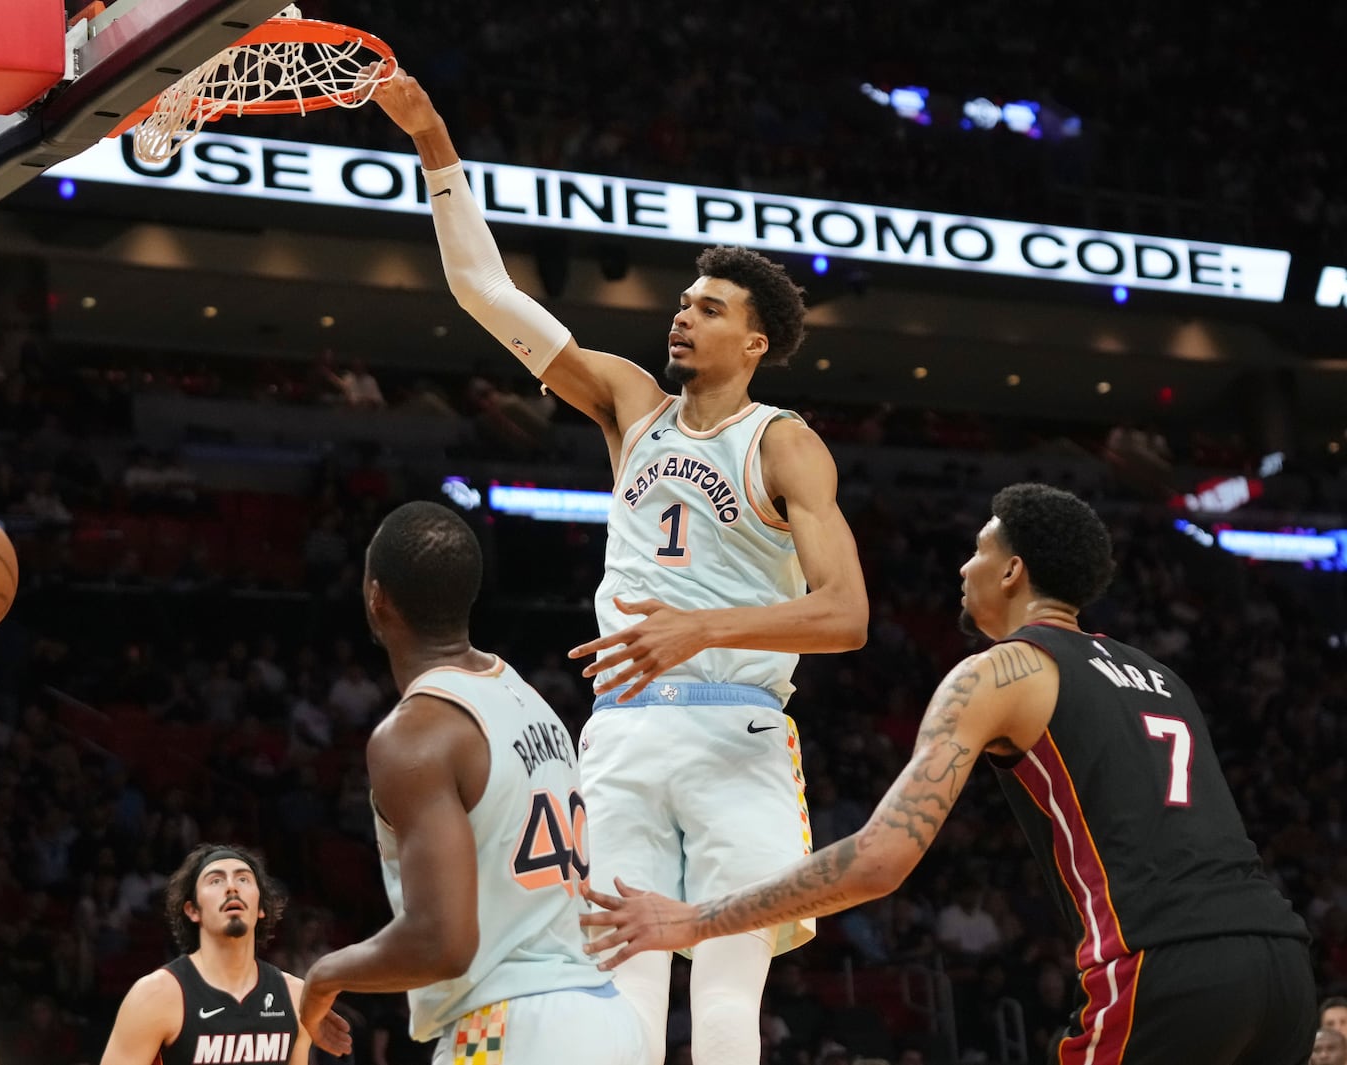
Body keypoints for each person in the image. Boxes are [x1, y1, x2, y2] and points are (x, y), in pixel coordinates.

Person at [369, 68, 869, 1065]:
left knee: (726, 994)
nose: (682, 315)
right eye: (683, 301)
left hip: (738, 729)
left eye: (710, 308)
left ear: (754, 341)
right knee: (620, 998)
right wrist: (431, 143)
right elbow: (484, 292)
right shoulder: (630, 404)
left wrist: (702, 626)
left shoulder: (784, 443)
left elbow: (846, 614)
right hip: (623, 737)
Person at [584, 484, 1316, 1065]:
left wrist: (694, 918)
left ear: (1011, 568)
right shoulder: (1163, 677)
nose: (962, 568)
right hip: (1283, 967)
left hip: (1167, 966)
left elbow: (878, 860)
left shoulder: (1002, 669)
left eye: (976, 550)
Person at [297, 501, 646, 1064]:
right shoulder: (525, 698)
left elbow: (444, 945)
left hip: (514, 1024)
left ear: (375, 596)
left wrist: (323, 975)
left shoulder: (413, 735)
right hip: (604, 1016)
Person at [99, 843, 322, 1065]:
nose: (232, 888)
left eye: (243, 879)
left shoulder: (295, 996)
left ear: (261, 907)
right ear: (193, 910)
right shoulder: (154, 995)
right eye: (216, 880)